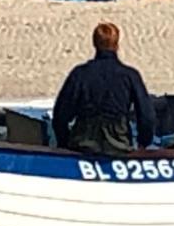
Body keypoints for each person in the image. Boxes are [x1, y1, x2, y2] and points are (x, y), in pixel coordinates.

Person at [52, 23, 155, 154]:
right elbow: (146, 115)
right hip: (118, 141)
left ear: (94, 44)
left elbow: (61, 114)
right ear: (117, 44)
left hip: (84, 140)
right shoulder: (130, 76)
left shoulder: (80, 74)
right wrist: (143, 143)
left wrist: (63, 142)